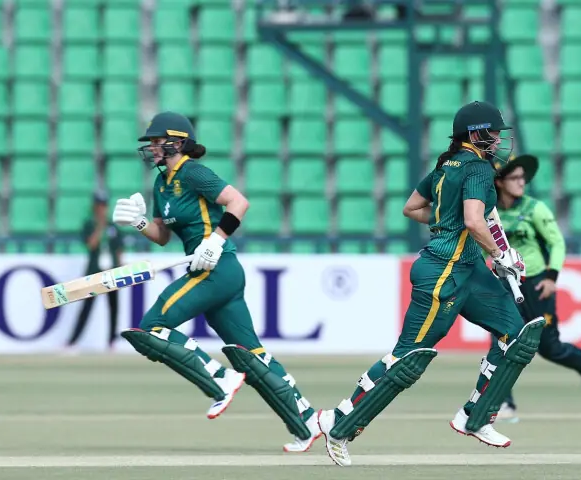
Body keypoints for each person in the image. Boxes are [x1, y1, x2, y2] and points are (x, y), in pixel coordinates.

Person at [316, 101, 545, 467]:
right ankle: (338, 422)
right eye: (495, 131)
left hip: (468, 268)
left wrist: (451, 225)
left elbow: (414, 208)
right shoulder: (477, 169)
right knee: (409, 359)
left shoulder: (445, 167)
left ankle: (475, 416)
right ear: (476, 134)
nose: (500, 138)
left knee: (517, 336)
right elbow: (474, 220)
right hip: (443, 272)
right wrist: (498, 255)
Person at [111, 112, 321, 453]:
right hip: (208, 269)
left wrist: (216, 239)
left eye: (155, 141)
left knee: (151, 327)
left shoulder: (193, 172)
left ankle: (220, 380)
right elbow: (163, 235)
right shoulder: (162, 183)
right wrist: (138, 223)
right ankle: (306, 422)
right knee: (250, 356)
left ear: (176, 142)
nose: (150, 147)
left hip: (217, 267)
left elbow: (238, 202)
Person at [492, 154, 581, 423]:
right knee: (502, 340)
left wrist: (552, 277)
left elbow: (557, 243)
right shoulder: (488, 211)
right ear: (499, 181)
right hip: (505, 283)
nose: (521, 182)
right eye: (515, 178)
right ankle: (503, 402)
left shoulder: (534, 209)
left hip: (537, 281)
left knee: (549, 347)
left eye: (523, 178)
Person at [66, 191, 123, 351]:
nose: (101, 209)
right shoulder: (89, 224)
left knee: (114, 308)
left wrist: (120, 272)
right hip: (94, 273)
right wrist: (100, 227)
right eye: (99, 205)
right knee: (86, 308)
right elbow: (91, 244)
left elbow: (118, 251)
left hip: (111, 273)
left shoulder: (113, 227)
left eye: (104, 205)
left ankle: (111, 342)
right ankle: (72, 342)